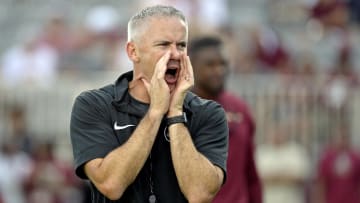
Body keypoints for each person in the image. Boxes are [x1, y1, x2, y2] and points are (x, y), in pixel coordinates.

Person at [69, 5, 228, 203]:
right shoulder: (94, 105)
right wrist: (155, 113)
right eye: (163, 45)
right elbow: (111, 184)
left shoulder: (208, 112)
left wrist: (175, 113)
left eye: (181, 45)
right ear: (133, 51)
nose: (176, 54)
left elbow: (200, 194)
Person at [189, 36, 262, 203]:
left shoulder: (240, 109)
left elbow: (250, 171)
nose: (219, 70)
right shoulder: (177, 109)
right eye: (210, 65)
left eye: (223, 64)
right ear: (191, 66)